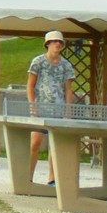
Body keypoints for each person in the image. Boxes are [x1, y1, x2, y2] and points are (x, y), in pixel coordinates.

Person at [27, 29, 76, 185]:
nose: (57, 44)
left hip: (58, 110)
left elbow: (68, 89)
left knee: (54, 146)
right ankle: (28, 177)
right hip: (40, 109)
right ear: (47, 44)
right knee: (35, 143)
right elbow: (30, 85)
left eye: (60, 42)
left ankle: (52, 178)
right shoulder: (38, 62)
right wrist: (32, 105)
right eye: (54, 41)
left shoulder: (66, 65)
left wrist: (68, 110)